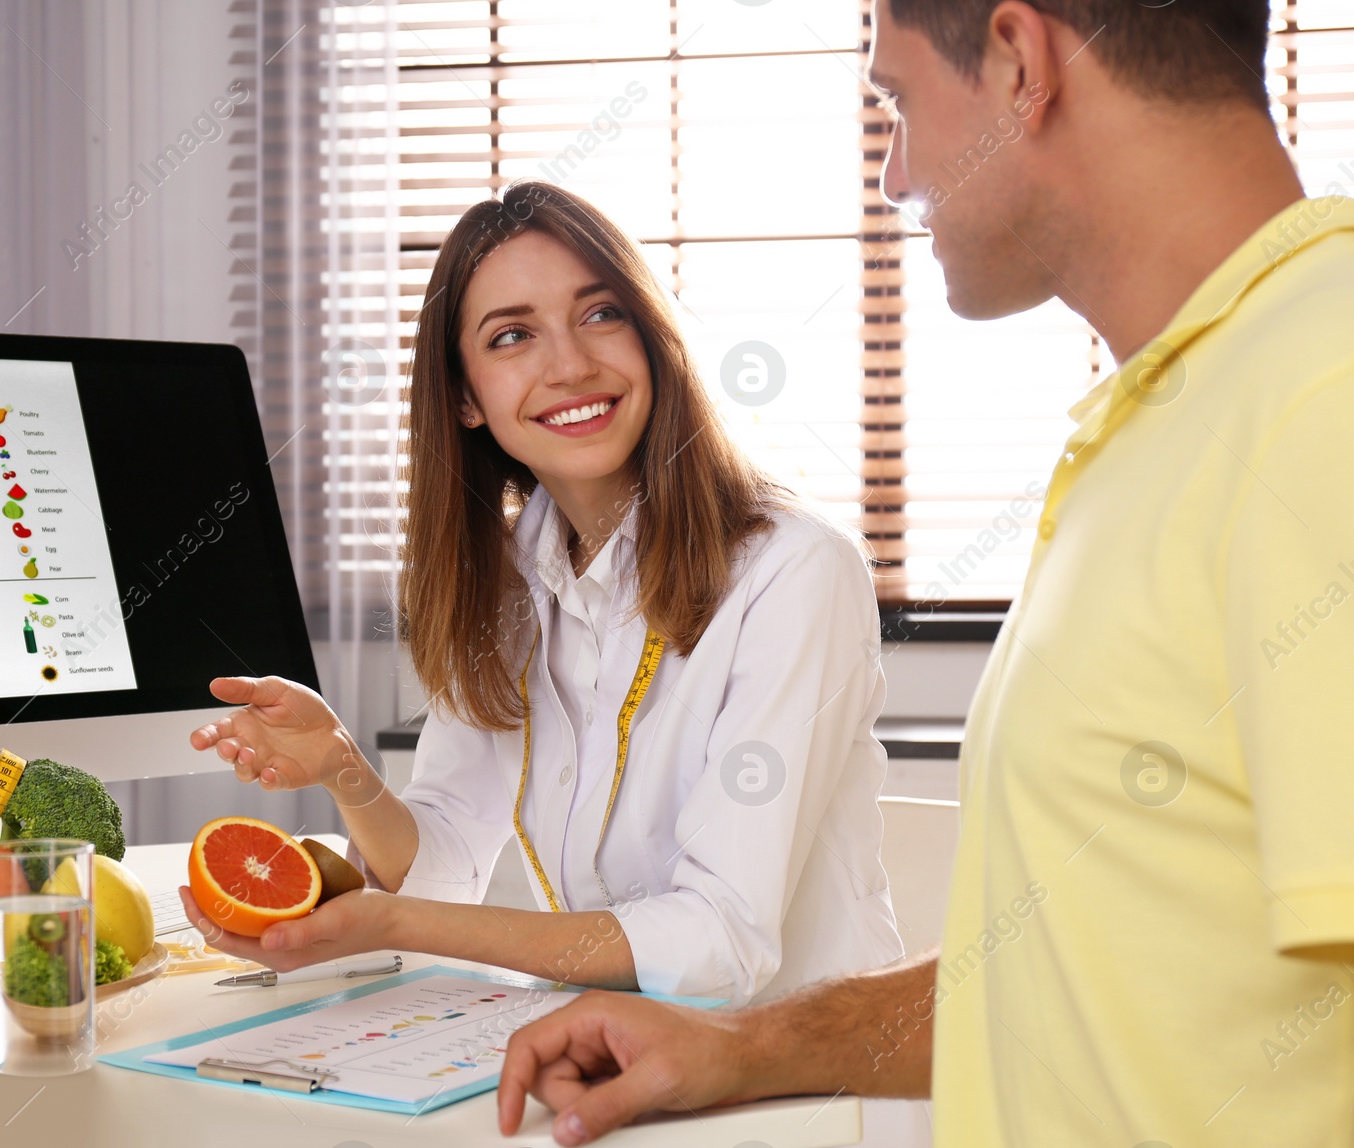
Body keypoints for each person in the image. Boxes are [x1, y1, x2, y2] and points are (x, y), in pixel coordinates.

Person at [496, 1, 1354, 1145]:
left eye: (895, 103)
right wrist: (745, 1049)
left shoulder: (1319, 394)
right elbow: (1071, 971)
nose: (893, 174)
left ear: (1017, 59)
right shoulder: (1156, 424)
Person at [182, 181, 927, 1144]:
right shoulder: (503, 584)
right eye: (511, 336)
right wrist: (343, 770)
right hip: (618, 1081)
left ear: (651, 337)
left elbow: (718, 943)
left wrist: (394, 927)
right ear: (464, 399)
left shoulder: (793, 570)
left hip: (804, 1107)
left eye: (600, 314)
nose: (571, 364)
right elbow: (446, 862)